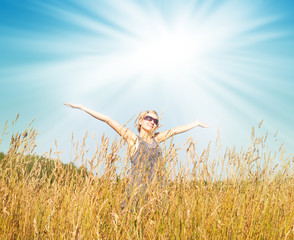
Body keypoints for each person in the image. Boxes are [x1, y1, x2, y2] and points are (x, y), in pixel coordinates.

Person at [64, 103, 209, 202]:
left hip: (158, 188)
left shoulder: (157, 138)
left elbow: (175, 130)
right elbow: (108, 120)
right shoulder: (133, 139)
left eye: (155, 121)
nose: (152, 122)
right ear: (140, 121)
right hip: (137, 189)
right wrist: (83, 108)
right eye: (148, 118)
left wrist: (195, 123)